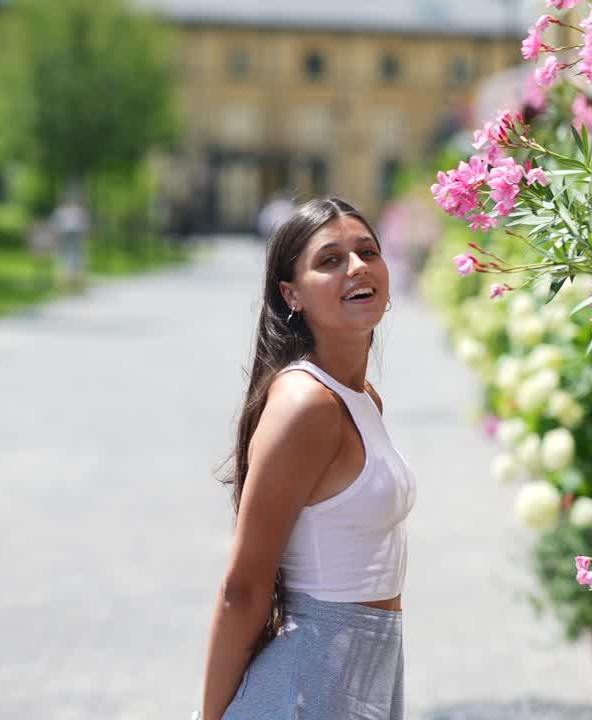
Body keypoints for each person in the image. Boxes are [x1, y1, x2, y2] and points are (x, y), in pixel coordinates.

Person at [197, 198, 416, 720]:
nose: (357, 267)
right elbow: (243, 589)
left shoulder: (361, 397)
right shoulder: (306, 404)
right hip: (312, 679)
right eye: (330, 260)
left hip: (366, 666)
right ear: (291, 294)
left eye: (367, 251)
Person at [51, 189, 89, 291]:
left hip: (73, 240)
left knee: (73, 263)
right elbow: (56, 229)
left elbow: (83, 229)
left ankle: (72, 286)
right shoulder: (65, 212)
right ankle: (69, 286)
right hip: (68, 240)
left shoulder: (73, 212)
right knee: (69, 263)